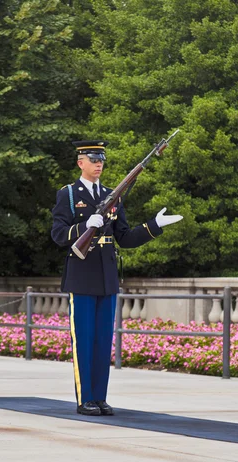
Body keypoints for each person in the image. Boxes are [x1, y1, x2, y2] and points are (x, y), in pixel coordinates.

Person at [51, 140, 182, 416]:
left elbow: (124, 237)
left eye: (101, 159)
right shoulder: (69, 195)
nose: (99, 163)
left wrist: (154, 227)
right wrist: (84, 226)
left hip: (107, 277)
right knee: (84, 340)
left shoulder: (113, 195)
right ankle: (84, 398)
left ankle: (99, 397)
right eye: (93, 158)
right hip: (82, 276)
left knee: (102, 340)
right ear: (80, 162)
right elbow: (59, 234)